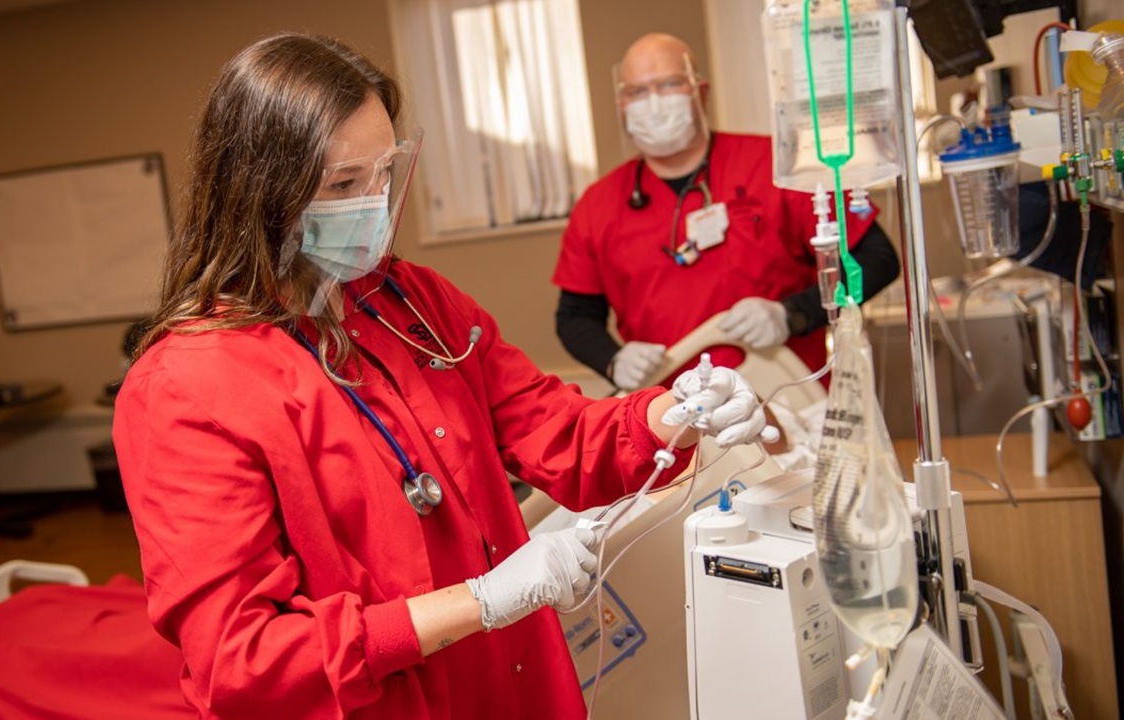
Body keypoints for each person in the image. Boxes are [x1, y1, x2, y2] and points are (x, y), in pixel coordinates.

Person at [113, 32, 771, 719]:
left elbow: (552, 426)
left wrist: (677, 414)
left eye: (384, 174)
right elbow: (240, 660)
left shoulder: (409, 300)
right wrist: (478, 603)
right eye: (343, 185)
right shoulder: (187, 388)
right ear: (260, 194)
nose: (375, 204)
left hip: (517, 685)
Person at [553, 33, 902, 392]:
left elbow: (877, 259)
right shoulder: (599, 204)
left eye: (669, 84)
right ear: (621, 104)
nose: (652, 102)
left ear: (700, 91)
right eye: (637, 92)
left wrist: (793, 313)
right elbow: (575, 316)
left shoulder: (776, 166)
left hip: (784, 399)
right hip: (667, 413)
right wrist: (613, 359)